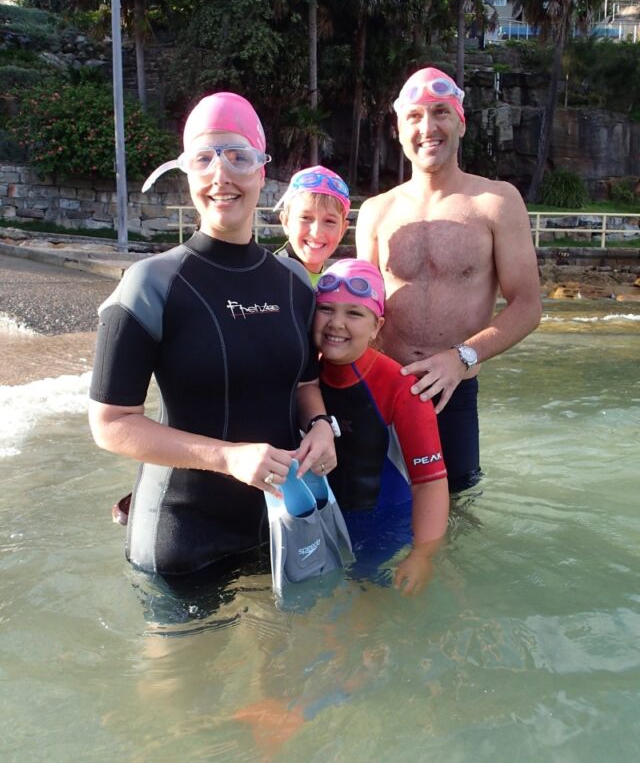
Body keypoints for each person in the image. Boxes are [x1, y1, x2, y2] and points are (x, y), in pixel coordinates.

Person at [88, 92, 338, 583]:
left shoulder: (293, 283)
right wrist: (227, 457)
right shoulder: (150, 284)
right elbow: (111, 424)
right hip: (182, 533)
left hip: (278, 525)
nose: (221, 174)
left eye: (237, 156)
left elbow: (306, 383)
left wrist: (322, 425)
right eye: (204, 159)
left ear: (262, 171)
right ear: (187, 174)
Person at [356, 67, 542, 493]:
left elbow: (528, 307)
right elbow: (363, 311)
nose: (428, 128)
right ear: (399, 130)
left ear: (461, 122)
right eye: (414, 116)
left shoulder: (496, 202)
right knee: (373, 510)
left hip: (452, 394)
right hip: (382, 390)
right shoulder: (375, 211)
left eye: (440, 112)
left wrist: (461, 358)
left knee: (456, 514)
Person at [313, 258, 449, 596]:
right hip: (322, 522)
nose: (336, 323)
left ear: (377, 326)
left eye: (354, 313)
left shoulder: (401, 388)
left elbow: (430, 482)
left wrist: (422, 555)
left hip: (384, 527)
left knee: (364, 614)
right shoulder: (303, 376)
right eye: (326, 309)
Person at [273, 165, 350, 286]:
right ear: (286, 222)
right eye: (305, 218)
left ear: (342, 230)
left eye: (329, 221)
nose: (316, 232)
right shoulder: (269, 277)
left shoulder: (332, 284)